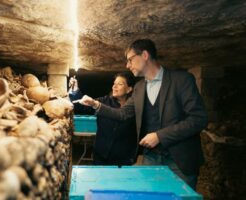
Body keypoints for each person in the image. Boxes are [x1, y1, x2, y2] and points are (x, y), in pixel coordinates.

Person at [76, 39, 207, 190]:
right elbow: (122, 114)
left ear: (144, 55)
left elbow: (198, 119)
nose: (127, 65)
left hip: (180, 160)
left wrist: (160, 136)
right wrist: (96, 104)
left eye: (130, 59)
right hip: (151, 157)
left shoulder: (182, 80)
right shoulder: (139, 87)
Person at [69, 73, 137, 166]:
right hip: (102, 155)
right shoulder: (104, 101)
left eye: (120, 84)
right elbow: (82, 107)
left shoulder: (135, 107)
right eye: (114, 83)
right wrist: (75, 90)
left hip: (124, 158)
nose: (114, 86)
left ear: (129, 89)